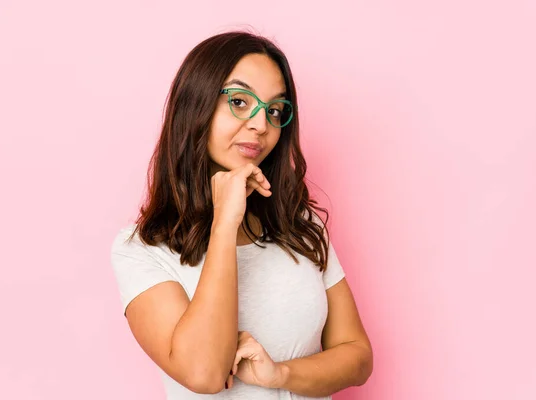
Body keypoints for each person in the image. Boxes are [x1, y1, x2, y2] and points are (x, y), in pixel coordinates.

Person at [110, 30, 373, 399]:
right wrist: (224, 222)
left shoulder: (300, 226)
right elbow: (203, 374)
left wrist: (279, 374)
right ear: (196, 104)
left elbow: (358, 357)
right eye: (238, 101)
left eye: (275, 110)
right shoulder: (141, 250)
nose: (260, 124)